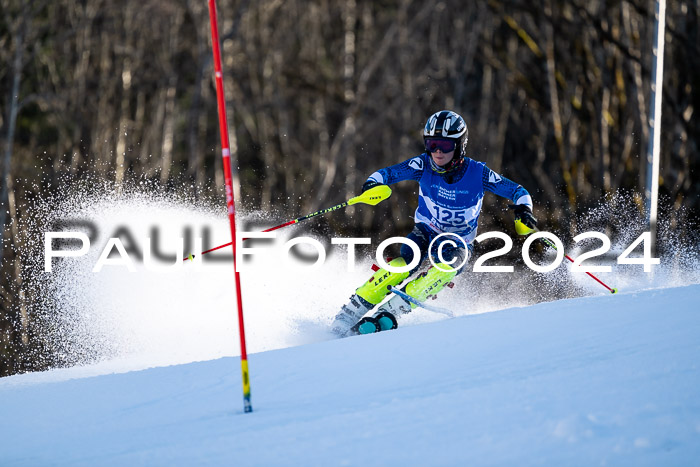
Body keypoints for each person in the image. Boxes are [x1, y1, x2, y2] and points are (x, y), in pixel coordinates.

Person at [331, 110, 538, 336]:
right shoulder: (422, 164)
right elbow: (387, 174)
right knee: (404, 262)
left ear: (459, 146)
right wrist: (371, 184)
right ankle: (354, 308)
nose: (438, 152)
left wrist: (524, 210)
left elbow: (518, 191)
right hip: (426, 231)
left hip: (457, 241)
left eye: (445, 146)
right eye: (432, 144)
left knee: (449, 266)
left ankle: (392, 311)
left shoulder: (478, 173)